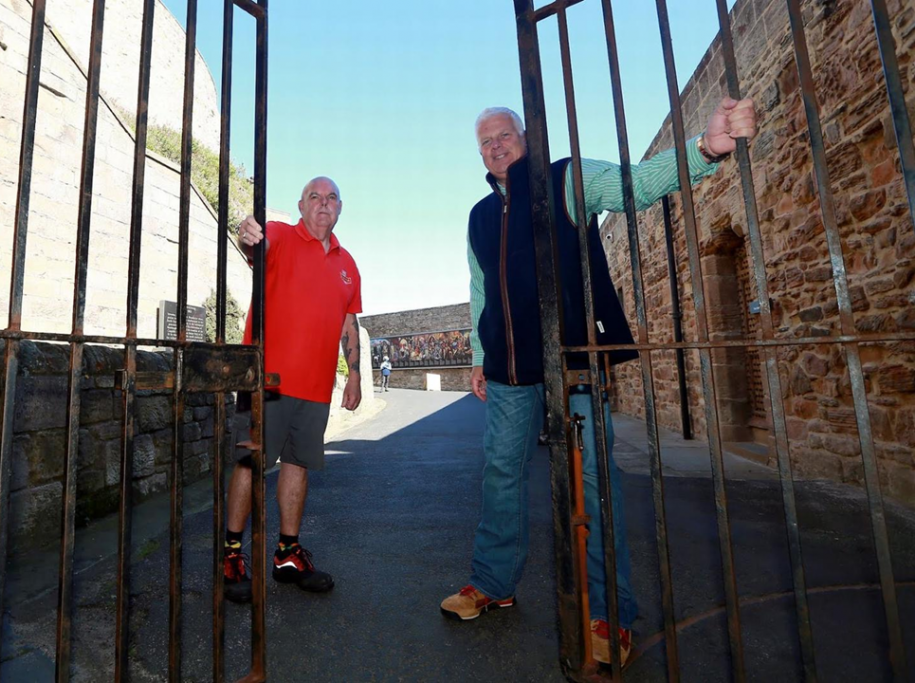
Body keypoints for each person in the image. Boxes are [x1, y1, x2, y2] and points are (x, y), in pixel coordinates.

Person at [440, 99, 756, 667]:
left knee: (593, 483)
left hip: (578, 360)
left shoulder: (567, 179)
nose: (497, 147)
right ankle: (492, 582)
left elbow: (634, 187)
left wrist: (705, 150)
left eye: (505, 136)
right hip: (510, 368)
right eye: (486, 142)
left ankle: (610, 612)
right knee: (500, 474)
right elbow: (480, 289)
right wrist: (480, 356)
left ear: (526, 138)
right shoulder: (478, 216)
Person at [224, 176, 362, 602]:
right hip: (266, 379)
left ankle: (287, 553)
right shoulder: (281, 236)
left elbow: (348, 322)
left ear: (340, 208)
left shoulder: (348, 264)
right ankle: (231, 554)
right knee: (250, 462)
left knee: (297, 465)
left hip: (317, 386)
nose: (323, 204)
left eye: (331, 198)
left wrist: (353, 373)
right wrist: (250, 236)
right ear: (301, 205)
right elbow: (255, 246)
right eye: (315, 197)